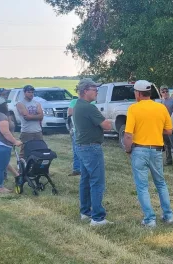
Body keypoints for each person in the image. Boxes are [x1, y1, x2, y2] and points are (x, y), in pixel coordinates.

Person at [123, 80, 173, 228]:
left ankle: (150, 219)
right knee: (160, 183)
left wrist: (128, 150)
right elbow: (169, 131)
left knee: (142, 186)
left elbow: (128, 135)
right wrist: (156, 130)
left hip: (139, 150)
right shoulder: (161, 108)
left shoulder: (133, 109)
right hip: (157, 150)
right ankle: (168, 215)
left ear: (138, 93)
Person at [73, 78, 113, 226]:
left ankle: (85, 212)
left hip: (81, 146)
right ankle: (97, 218)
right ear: (85, 91)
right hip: (91, 148)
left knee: (85, 180)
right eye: (94, 89)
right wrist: (108, 121)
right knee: (97, 182)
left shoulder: (78, 105)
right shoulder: (89, 108)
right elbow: (107, 125)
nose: (97, 91)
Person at [0, 97, 22, 193]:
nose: (7, 105)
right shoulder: (1, 116)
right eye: (5, 104)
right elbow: (5, 132)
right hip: (1, 145)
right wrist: (15, 141)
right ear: (2, 106)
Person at [16, 85, 43, 158]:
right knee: (24, 152)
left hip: (38, 131)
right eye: (29, 92)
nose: (31, 94)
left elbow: (41, 116)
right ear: (24, 93)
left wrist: (31, 116)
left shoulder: (37, 103)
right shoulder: (20, 103)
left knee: (39, 150)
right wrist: (36, 115)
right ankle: (22, 168)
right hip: (26, 131)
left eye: (32, 92)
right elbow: (26, 117)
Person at [160, 85, 173, 165]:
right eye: (163, 92)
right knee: (166, 144)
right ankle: (168, 160)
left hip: (171, 125)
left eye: (166, 91)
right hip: (163, 126)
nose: (165, 93)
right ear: (161, 93)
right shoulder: (160, 102)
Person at [67, 91, 82, 176]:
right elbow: (70, 112)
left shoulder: (93, 101)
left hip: (83, 131)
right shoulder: (74, 101)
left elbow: (70, 113)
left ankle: (80, 168)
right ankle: (76, 169)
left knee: (79, 150)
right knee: (76, 149)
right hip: (76, 130)